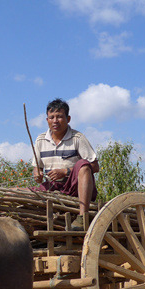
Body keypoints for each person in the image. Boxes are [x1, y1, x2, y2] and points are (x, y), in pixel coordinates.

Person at [32, 98, 99, 230]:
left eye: (59, 117)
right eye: (51, 117)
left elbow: (95, 166)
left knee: (84, 165)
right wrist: (37, 175)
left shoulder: (77, 138)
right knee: (13, 192)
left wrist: (65, 172)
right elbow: (37, 168)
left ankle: (82, 216)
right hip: (51, 188)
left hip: (74, 188)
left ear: (68, 119)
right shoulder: (40, 140)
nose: (55, 121)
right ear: (47, 120)